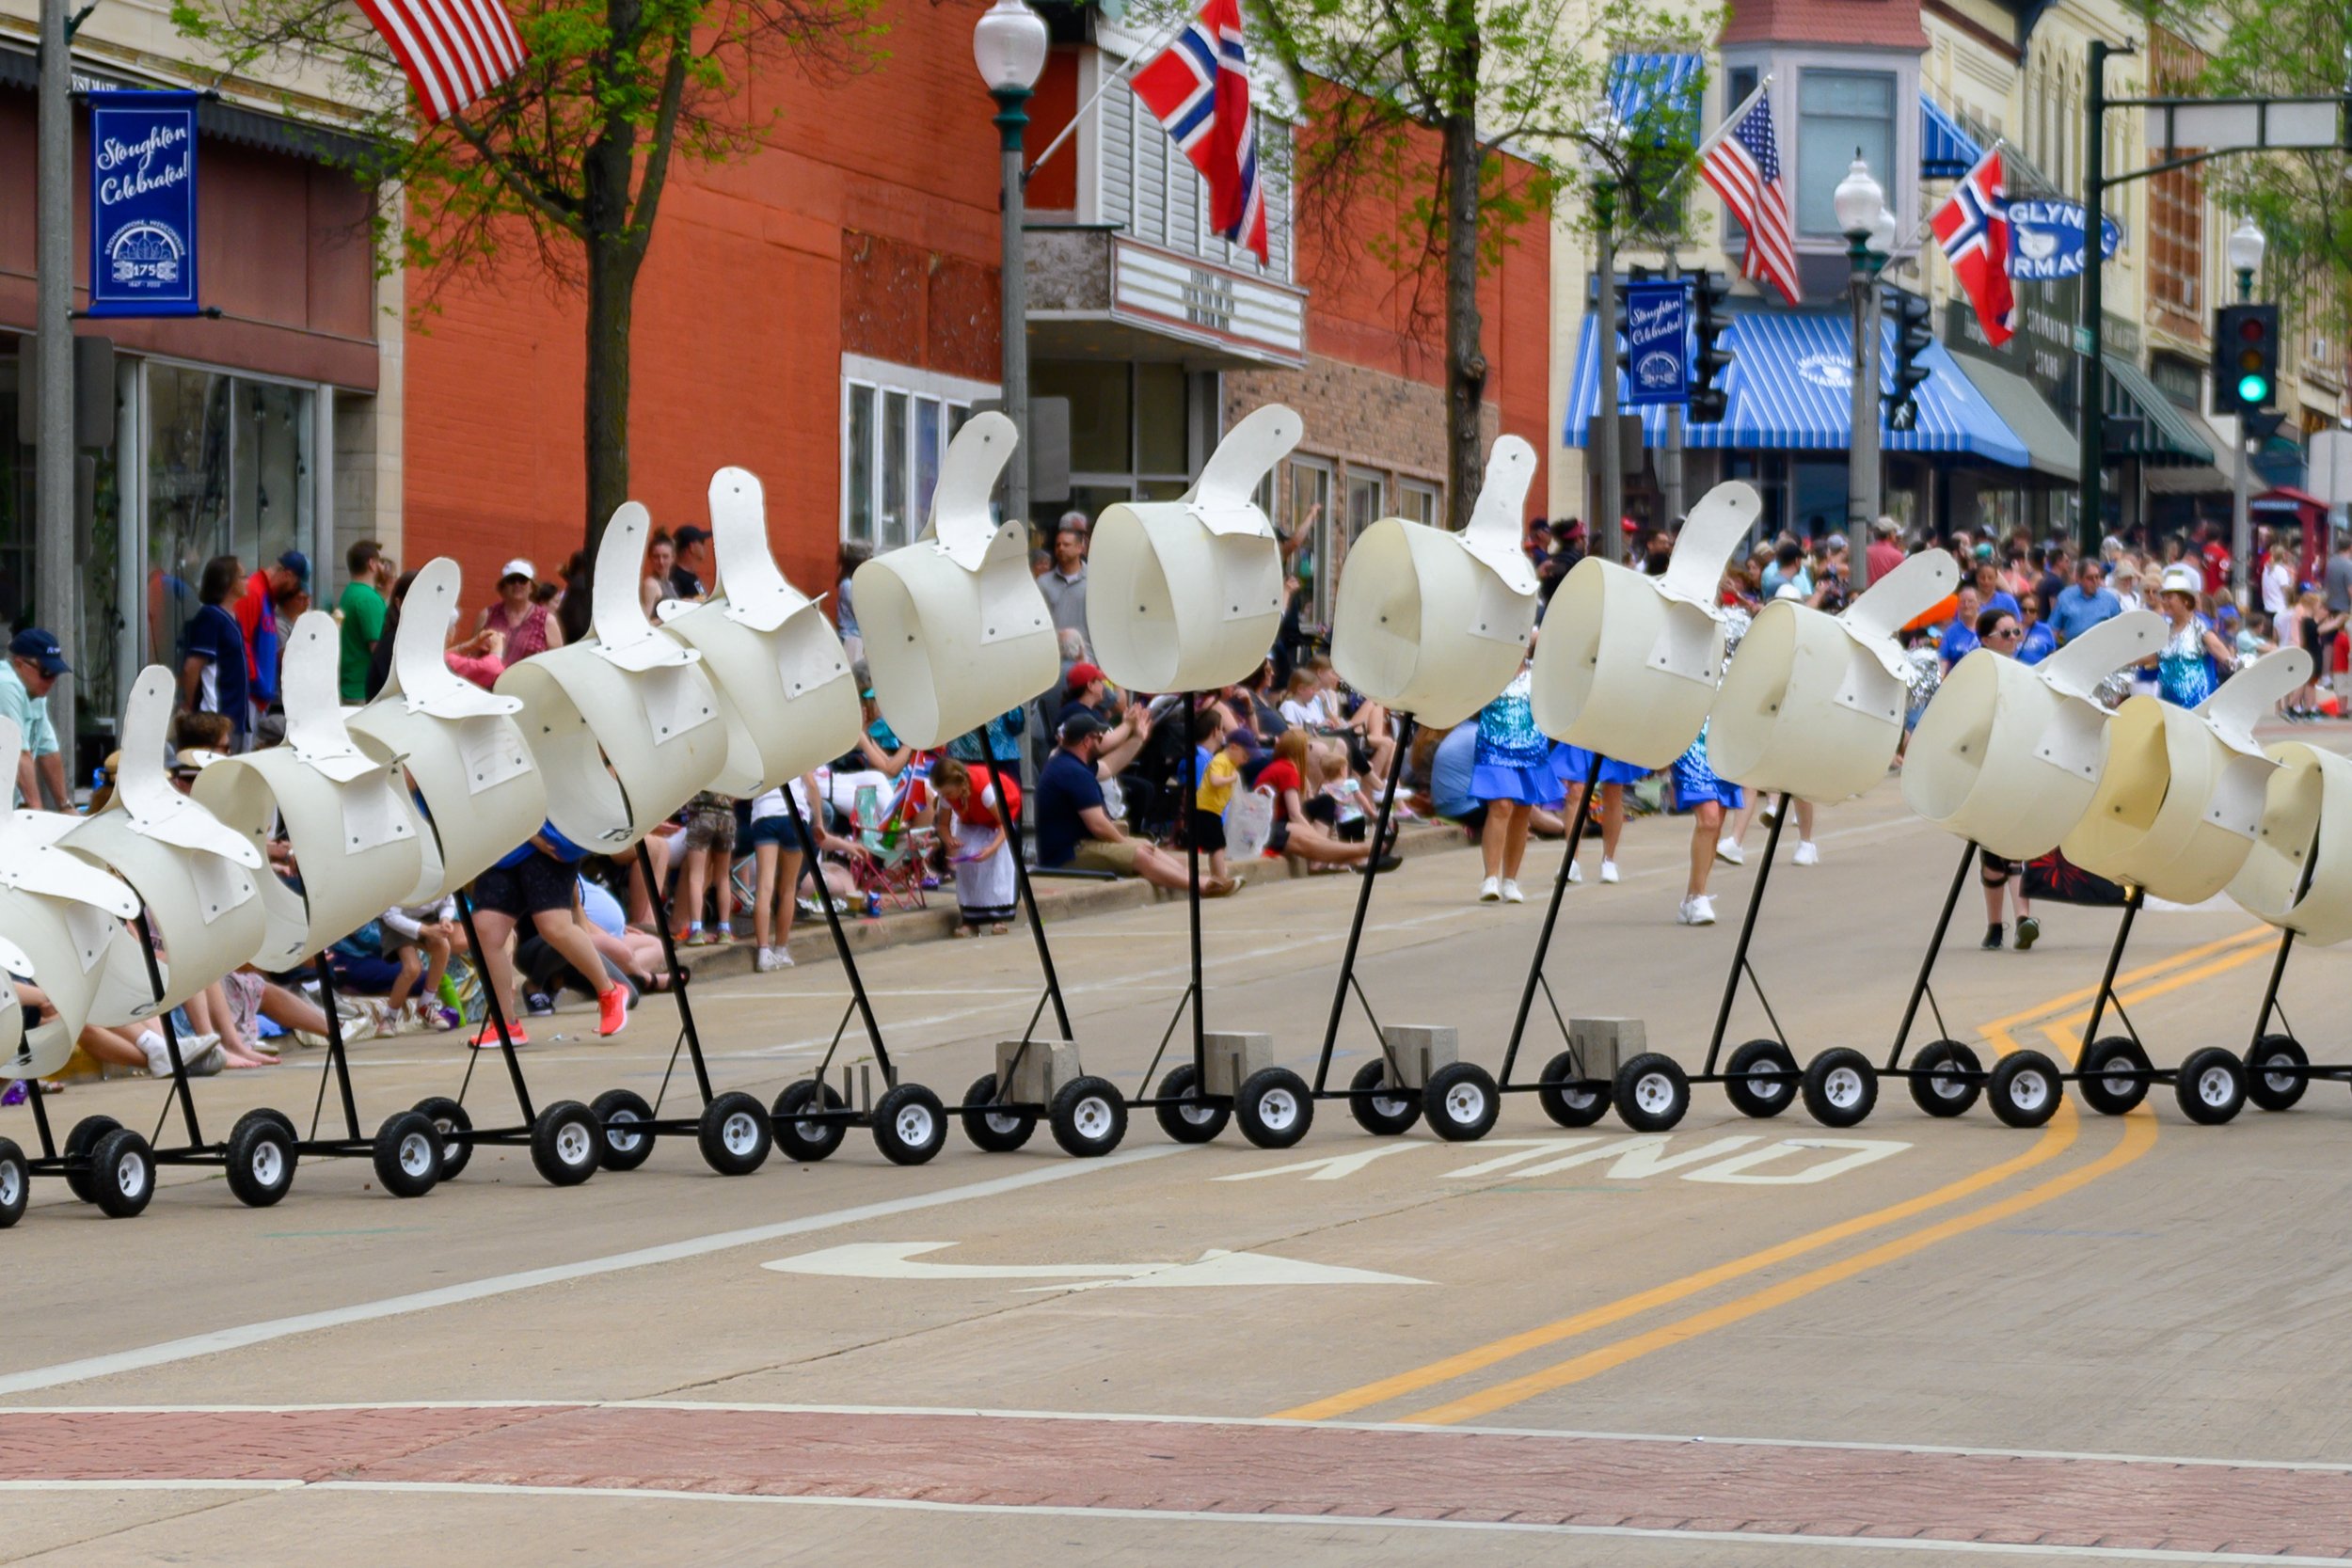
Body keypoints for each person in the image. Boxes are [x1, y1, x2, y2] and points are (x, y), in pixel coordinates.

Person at [468, 824, 629, 1044]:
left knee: (554, 926)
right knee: (486, 928)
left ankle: (609, 991)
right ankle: (506, 1025)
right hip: (503, 842)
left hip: (545, 837)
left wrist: (531, 832)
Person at [1034, 710, 1221, 892]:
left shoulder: (1069, 763)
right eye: (1099, 738)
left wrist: (1138, 738)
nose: (1103, 740)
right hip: (1067, 854)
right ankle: (1200, 887)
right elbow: (1097, 825)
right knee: (1140, 855)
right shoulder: (1072, 772)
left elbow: (1109, 765)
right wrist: (1124, 842)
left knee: (1147, 846)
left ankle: (1199, 879)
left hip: (1078, 845)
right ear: (1086, 741)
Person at [1968, 606, 2042, 950]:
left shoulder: (2024, 674)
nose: (2015, 638)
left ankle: (2023, 919)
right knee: (1993, 855)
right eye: (2007, 633)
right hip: (1987, 771)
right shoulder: (1977, 675)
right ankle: (1995, 925)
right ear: (1986, 640)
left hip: (2018, 768)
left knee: (2015, 849)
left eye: (2016, 632)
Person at [1469, 654, 1553, 904]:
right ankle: (1490, 878)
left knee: (1522, 810)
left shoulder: (1538, 672)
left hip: (1530, 748)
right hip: (1493, 747)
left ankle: (1510, 880)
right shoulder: (1486, 669)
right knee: (1501, 805)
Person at [747, 771, 844, 969]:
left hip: (765, 813)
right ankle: (781, 949)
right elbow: (812, 786)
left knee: (764, 887)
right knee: (788, 888)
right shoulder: (794, 747)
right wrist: (819, 823)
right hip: (794, 814)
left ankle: (763, 952)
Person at [930, 756, 1019, 936]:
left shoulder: (985, 791)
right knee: (968, 861)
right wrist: (949, 839)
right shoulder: (948, 796)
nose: (946, 797)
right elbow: (942, 825)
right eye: (943, 794)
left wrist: (991, 848)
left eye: (948, 792)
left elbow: (1005, 824)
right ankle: (971, 920)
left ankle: (998, 917)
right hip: (971, 819)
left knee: (996, 864)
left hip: (997, 821)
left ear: (958, 784)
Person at [1671, 720, 1740, 927]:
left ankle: (1692, 897)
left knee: (1716, 824)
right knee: (1709, 820)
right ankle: (1699, 897)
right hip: (1691, 738)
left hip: (1724, 738)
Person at [180, 554, 251, 750]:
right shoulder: (210, 617)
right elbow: (192, 667)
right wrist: (189, 705)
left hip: (234, 717)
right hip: (215, 717)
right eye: (242, 577)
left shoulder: (232, 618)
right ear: (228, 582)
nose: (247, 581)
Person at [1550, 740, 1642, 884]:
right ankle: (1571, 861)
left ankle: (1608, 860)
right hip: (1583, 729)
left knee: (1613, 791)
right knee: (1575, 790)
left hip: (1611, 730)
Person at [2145, 562, 2235, 708]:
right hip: (2169, 708)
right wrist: (2119, 660)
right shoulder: (2164, 629)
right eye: (2164, 597)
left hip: (2198, 709)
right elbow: (2150, 656)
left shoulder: (2200, 627)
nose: (2165, 602)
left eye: (2170, 597)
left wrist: (2240, 667)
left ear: (2185, 600)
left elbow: (2222, 653)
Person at [0, 628, 70, 810]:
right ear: (20, 664)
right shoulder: (5, 685)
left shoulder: (34, 693)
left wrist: (66, 806)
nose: (52, 680)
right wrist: (36, 812)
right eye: (46, 672)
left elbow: (49, 750)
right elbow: (19, 755)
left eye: (55, 673)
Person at [236, 549, 307, 717]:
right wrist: (256, 682)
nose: (293, 592)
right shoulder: (254, 592)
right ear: (288, 575)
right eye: (295, 586)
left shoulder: (266, 597)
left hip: (258, 697)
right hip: (248, 695)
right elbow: (241, 641)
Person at [380, 894, 461, 1032]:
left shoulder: (440, 880)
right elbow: (389, 914)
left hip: (427, 917)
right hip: (395, 920)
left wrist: (445, 918)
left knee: (443, 947)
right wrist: (425, 930)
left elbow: (448, 902)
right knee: (412, 968)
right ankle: (389, 1017)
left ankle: (425, 1003)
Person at [673, 790, 738, 945]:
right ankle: (724, 930)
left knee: (696, 876)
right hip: (726, 816)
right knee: (723, 877)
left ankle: (696, 929)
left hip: (700, 815)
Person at [336, 541, 389, 704]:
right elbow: (378, 649)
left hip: (350, 686)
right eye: (379, 562)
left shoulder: (349, 593)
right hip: (364, 690)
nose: (382, 566)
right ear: (372, 564)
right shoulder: (369, 599)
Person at [481, 559, 560, 661]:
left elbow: (557, 660)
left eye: (522, 580)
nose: (517, 584)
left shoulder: (547, 620)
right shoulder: (488, 615)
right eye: (512, 580)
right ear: (503, 587)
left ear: (532, 587)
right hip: (491, 677)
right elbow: (473, 653)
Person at [1039, 514, 1089, 648]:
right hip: (1055, 656)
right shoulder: (1043, 583)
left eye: (1066, 545)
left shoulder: (1094, 580)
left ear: (1080, 548)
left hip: (1087, 656)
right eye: (1058, 545)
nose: (1061, 548)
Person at [2049, 558, 2122, 644]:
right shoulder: (2065, 597)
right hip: (2073, 651)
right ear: (2079, 579)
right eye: (2090, 578)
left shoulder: (2110, 599)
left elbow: (2120, 628)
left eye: (2097, 577)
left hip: (2103, 650)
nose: (2095, 581)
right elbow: (2053, 630)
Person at [1939, 584, 1985, 673]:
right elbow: (1943, 659)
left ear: (1979, 603)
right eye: (1962, 602)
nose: (1966, 605)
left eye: (1970, 601)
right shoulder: (1950, 632)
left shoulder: (1988, 626)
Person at [669, 525, 714, 599]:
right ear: (691, 547)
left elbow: (703, 597)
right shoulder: (676, 580)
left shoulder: (691, 576)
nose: (704, 546)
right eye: (701, 542)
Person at [643, 532, 676, 619]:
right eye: (656, 557)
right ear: (650, 558)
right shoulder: (651, 585)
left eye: (665, 557)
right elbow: (644, 623)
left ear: (673, 558)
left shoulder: (669, 583)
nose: (661, 562)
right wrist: (673, 615)